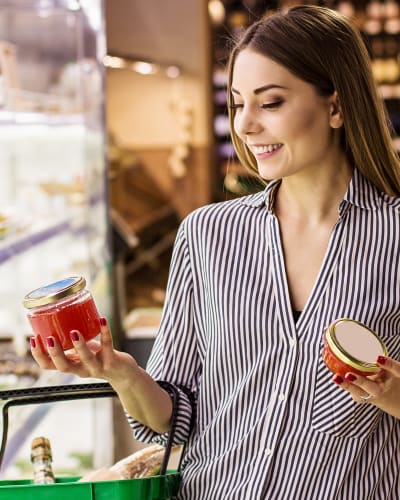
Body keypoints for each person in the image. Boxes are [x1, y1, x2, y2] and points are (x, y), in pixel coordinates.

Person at [30, 5, 400, 499]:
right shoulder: (209, 234)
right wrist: (122, 373)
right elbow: (175, 416)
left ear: (335, 107)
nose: (245, 125)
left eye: (270, 104)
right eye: (237, 102)